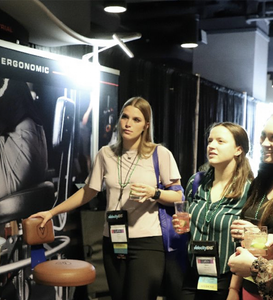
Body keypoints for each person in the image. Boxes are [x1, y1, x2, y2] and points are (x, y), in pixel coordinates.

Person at [30, 96, 185, 300]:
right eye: (125, 117)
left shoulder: (160, 154)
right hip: (114, 240)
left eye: (136, 120)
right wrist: (52, 211)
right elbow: (88, 191)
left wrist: (153, 193)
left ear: (146, 125)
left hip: (147, 242)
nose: (128, 124)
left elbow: (178, 195)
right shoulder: (105, 154)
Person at [172, 122, 254, 300]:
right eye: (210, 141)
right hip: (193, 275)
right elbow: (186, 224)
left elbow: (248, 246)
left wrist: (234, 288)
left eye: (220, 141)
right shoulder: (196, 182)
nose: (212, 146)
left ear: (238, 150)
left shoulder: (249, 191)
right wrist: (182, 227)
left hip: (227, 279)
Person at [229, 114, 273, 300]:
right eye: (263, 136)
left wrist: (261, 237)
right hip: (249, 286)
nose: (265, 143)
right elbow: (244, 247)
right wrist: (233, 289)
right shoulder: (259, 184)